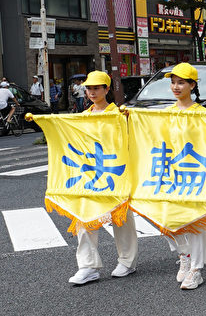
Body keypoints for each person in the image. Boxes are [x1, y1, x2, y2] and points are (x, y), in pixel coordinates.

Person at [68, 71, 139, 285]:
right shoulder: (82, 117)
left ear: (107, 89)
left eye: (97, 88)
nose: (91, 92)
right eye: (89, 88)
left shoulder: (120, 115)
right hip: (90, 173)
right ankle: (88, 266)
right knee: (83, 217)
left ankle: (128, 261)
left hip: (116, 171)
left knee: (121, 217)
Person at [163, 62, 206, 290]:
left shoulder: (203, 114)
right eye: (173, 82)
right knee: (167, 221)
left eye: (181, 82)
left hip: (195, 174)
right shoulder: (166, 113)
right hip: (171, 173)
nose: (176, 86)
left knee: (195, 223)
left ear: (192, 85)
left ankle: (195, 269)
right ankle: (183, 256)